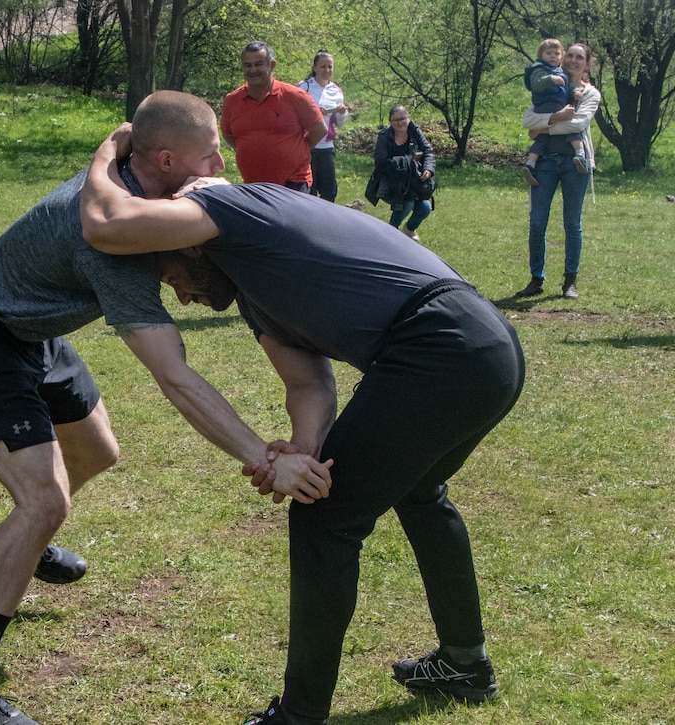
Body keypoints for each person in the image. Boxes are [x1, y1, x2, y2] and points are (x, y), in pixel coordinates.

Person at [81, 95, 525, 724]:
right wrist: (302, 451)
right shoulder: (258, 291)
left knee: (326, 522)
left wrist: (107, 150)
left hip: (440, 345)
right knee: (420, 494)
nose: (174, 289)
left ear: (187, 241)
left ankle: (299, 715)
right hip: (484, 347)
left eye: (167, 268)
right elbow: (308, 382)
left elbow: (105, 223)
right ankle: (465, 662)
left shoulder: (223, 201)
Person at [0, 90, 330, 725]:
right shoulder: (116, 240)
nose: (220, 167)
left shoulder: (134, 177)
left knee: (97, 452)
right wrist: (259, 454)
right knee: (45, 501)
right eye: (210, 156)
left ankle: (21, 542)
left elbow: (125, 129)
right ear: (165, 159)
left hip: (34, 334)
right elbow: (174, 376)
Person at [516, 42, 599, 300]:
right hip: (545, 164)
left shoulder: (590, 94)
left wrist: (542, 127)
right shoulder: (551, 85)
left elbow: (579, 122)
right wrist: (551, 119)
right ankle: (535, 279)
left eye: (579, 57)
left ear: (587, 64)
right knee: (537, 222)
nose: (573, 60)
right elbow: (527, 121)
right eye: (570, 56)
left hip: (576, 164)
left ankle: (570, 281)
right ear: (564, 59)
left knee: (572, 223)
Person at [221, 41, 328, 191]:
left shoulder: (295, 97)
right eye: (248, 65)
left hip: (294, 182)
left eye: (259, 64)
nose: (253, 70)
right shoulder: (232, 100)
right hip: (253, 185)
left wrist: (296, 150)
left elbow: (319, 129)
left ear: (272, 65)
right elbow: (228, 134)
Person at [522, 38, 586, 186]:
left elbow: (568, 88)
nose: (552, 56)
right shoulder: (539, 70)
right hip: (545, 106)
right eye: (548, 53)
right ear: (540, 56)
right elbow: (536, 84)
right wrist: (550, 79)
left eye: (556, 54)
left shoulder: (560, 74)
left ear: (561, 57)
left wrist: (575, 92)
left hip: (555, 110)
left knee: (541, 138)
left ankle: (531, 164)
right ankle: (580, 154)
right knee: (569, 128)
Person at [370, 105, 435, 241]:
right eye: (396, 120)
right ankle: (390, 234)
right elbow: (381, 163)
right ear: (390, 121)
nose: (400, 122)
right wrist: (407, 161)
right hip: (392, 183)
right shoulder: (384, 136)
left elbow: (428, 151)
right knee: (408, 203)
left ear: (409, 118)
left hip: (413, 182)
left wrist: (428, 169)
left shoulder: (415, 131)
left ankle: (409, 229)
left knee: (425, 207)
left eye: (403, 118)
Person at [297, 50, 348, 202]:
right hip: (307, 145)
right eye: (323, 67)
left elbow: (339, 123)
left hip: (327, 146)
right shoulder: (304, 87)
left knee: (329, 191)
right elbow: (293, 115)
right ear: (315, 68)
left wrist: (342, 112)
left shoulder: (336, 91)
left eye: (330, 67)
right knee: (309, 191)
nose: (327, 71)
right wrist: (312, 113)